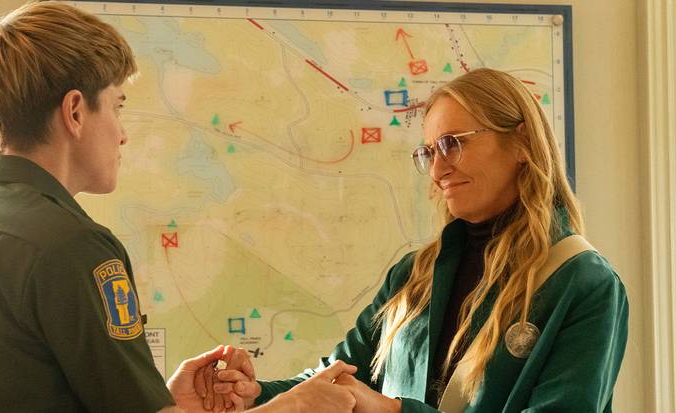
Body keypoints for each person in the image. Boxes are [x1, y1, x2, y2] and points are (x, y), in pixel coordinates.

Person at [0, 2, 358, 412]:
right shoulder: (72, 246)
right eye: (116, 105)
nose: (123, 132)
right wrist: (295, 405)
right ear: (74, 112)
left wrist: (158, 398)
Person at [205, 68, 629, 412]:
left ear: (520, 142)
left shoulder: (583, 283)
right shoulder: (414, 275)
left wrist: (393, 412)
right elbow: (341, 375)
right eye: (429, 152)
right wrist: (254, 393)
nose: (437, 169)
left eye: (452, 144)